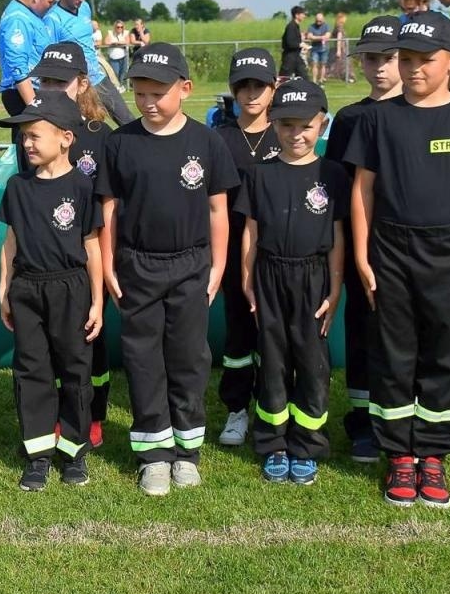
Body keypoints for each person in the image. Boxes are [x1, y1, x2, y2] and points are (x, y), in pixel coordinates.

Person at [342, 11, 450, 509]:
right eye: (404, 59)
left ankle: (432, 454)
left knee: (442, 351)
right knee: (395, 353)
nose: (413, 69)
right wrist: (363, 255)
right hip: (390, 250)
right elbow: (362, 191)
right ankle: (400, 456)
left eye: (424, 59)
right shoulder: (378, 119)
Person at [99, 43, 238, 496]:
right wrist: (109, 266)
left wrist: (217, 265)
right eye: (140, 93)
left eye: (158, 93)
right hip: (137, 264)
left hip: (191, 263)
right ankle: (154, 454)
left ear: (185, 88)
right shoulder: (120, 143)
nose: (148, 102)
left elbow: (218, 209)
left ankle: (187, 450)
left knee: (188, 357)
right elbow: (110, 211)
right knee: (143, 358)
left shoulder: (207, 141)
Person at [236, 80, 348, 486]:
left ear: (321, 124)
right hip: (270, 273)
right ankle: (273, 442)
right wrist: (247, 275)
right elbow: (250, 230)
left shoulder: (331, 173)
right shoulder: (260, 173)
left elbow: (337, 237)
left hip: (314, 277)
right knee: (273, 358)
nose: (295, 135)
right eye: (286, 125)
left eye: (305, 126)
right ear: (273, 123)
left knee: (312, 361)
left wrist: (335, 288)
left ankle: (307, 443)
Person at [0, 92, 104, 490]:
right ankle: (38, 453)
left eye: (34, 135)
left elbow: (91, 246)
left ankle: (75, 450)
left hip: (70, 287)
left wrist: (96, 299)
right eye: (23, 136)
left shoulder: (81, 186)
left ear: (65, 137)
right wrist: (5, 289)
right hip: (28, 287)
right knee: (32, 369)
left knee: (75, 369)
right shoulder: (18, 186)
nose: (26, 143)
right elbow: (10, 243)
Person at [323, 16, 404, 463]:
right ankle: (364, 421)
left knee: (404, 331)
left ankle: (403, 417)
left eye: (388, 58)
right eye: (371, 58)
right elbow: (335, 184)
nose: (380, 67)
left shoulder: (418, 113)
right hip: (360, 242)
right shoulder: (351, 118)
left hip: (407, 242)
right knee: (362, 327)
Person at [29, 41, 115, 446]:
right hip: (46, 261)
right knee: (52, 344)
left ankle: (92, 412)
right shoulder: (31, 134)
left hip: (88, 257)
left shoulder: (102, 137)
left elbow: (110, 207)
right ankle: (55, 413)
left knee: (88, 342)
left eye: (60, 82)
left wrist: (107, 261)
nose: (50, 88)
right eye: (44, 80)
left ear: (82, 84)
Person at [212, 48, 282, 448]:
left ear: (274, 89)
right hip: (233, 250)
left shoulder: (287, 131)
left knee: (274, 333)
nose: (251, 93)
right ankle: (237, 408)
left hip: (278, 253)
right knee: (239, 331)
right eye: (243, 85)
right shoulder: (218, 138)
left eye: (259, 85)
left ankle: (273, 406)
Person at [48, 0, 134, 125]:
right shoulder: (52, 18)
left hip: (97, 77)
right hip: (75, 82)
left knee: (127, 120)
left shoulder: (85, 7)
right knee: (87, 128)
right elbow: (51, 56)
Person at [0, 0, 62, 117]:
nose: (51, 6)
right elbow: (18, 66)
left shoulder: (29, 14)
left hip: (35, 90)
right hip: (23, 93)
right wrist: (34, 105)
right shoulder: (18, 20)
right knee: (30, 139)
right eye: (50, 2)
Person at [281, 6, 307, 79]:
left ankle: (306, 89)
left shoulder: (296, 26)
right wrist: (300, 44)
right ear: (297, 15)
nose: (304, 16)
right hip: (289, 57)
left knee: (304, 77)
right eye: (303, 14)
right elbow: (290, 43)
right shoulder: (291, 26)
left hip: (296, 56)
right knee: (284, 79)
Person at [306, 12, 331, 83]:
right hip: (315, 48)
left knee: (323, 64)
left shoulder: (326, 26)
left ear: (323, 20)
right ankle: (314, 81)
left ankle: (321, 80)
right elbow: (309, 36)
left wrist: (315, 37)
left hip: (324, 48)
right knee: (314, 64)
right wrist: (321, 37)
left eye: (320, 21)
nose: (318, 22)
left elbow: (327, 36)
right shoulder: (311, 26)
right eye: (317, 20)